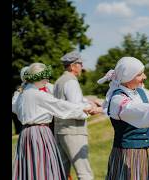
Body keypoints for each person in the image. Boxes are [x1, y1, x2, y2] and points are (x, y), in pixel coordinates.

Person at [12, 62, 97, 180]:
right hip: (39, 133)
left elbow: (16, 109)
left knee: (31, 166)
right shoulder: (37, 94)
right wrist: (84, 108)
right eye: (45, 76)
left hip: (26, 133)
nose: (47, 79)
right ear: (39, 77)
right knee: (42, 165)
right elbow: (60, 106)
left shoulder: (23, 93)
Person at [53, 51, 101, 180]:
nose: (81, 66)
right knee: (84, 172)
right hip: (73, 131)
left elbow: (68, 103)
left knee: (62, 172)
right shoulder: (71, 82)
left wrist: (86, 101)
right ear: (73, 66)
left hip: (60, 130)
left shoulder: (59, 81)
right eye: (80, 63)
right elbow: (76, 108)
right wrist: (91, 109)